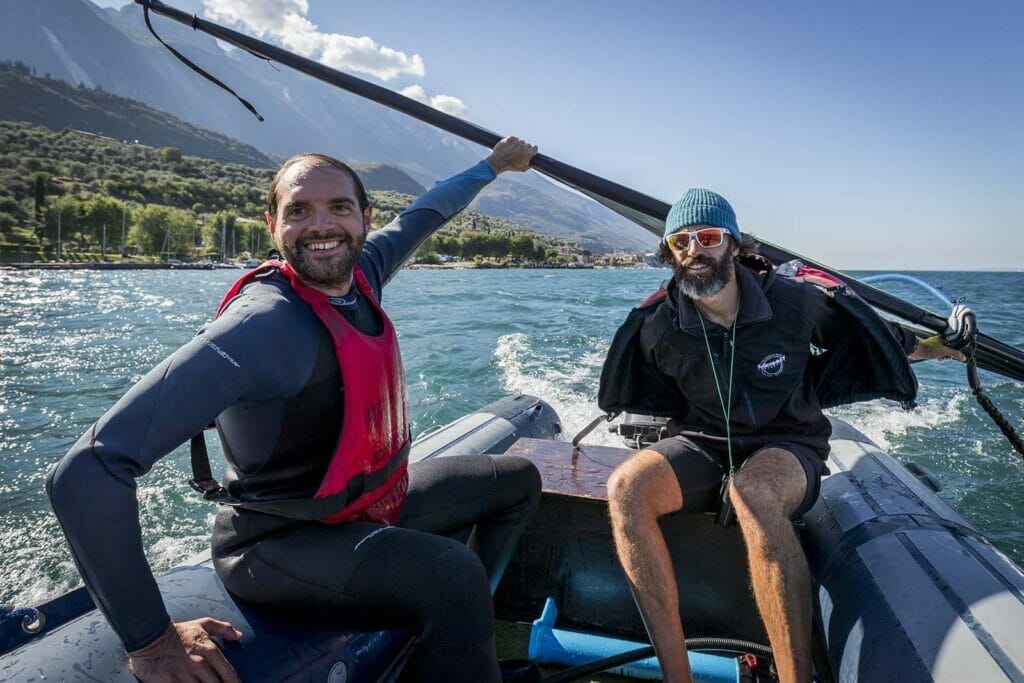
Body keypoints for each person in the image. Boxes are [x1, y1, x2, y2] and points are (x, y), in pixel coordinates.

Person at [47, 137, 542, 682]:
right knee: (453, 575)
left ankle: (455, 650)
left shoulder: (363, 271)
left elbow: (428, 211)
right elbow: (88, 469)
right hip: (275, 545)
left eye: (339, 207)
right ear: (273, 225)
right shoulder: (260, 326)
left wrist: (494, 165)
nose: (321, 225)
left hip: (365, 506)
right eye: (299, 211)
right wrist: (151, 640)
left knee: (516, 479)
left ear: (364, 218)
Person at [598, 188, 965, 683]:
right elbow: (652, 394)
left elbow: (869, 335)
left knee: (753, 493)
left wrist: (934, 346)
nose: (694, 251)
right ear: (669, 252)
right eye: (681, 242)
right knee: (627, 489)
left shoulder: (793, 303)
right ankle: (676, 676)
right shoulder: (659, 327)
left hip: (789, 443)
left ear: (733, 245)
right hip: (704, 443)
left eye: (708, 237)